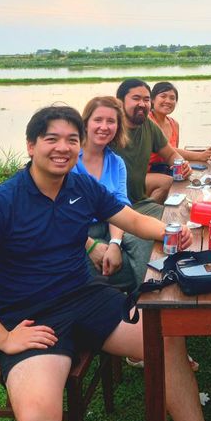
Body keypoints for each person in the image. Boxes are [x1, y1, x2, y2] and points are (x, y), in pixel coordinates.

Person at [0, 105, 211, 421]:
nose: (62, 147)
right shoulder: (3, 203)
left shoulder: (79, 184)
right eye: (51, 139)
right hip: (32, 319)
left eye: (72, 139)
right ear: (30, 145)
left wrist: (172, 233)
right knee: (38, 420)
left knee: (167, 336)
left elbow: (129, 218)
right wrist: (4, 338)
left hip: (87, 297)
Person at [71, 95, 137, 290]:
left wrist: (115, 243)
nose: (104, 126)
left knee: (147, 244)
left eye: (111, 121)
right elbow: (58, 213)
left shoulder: (116, 163)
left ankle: (148, 298)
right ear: (85, 123)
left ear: (118, 127)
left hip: (111, 227)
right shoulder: (69, 159)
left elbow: (120, 208)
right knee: (107, 269)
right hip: (76, 233)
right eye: (98, 120)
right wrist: (91, 245)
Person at [113, 78, 192, 207]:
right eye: (136, 98)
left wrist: (182, 165)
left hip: (138, 196)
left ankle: (146, 208)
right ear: (120, 102)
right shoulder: (110, 127)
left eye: (146, 99)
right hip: (114, 203)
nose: (142, 104)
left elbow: (171, 154)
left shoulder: (148, 125)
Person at [147, 80, 211, 180]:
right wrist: (200, 155)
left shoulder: (174, 124)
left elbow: (174, 155)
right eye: (163, 96)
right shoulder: (147, 121)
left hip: (167, 170)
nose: (168, 101)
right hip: (149, 172)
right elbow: (167, 150)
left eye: (172, 98)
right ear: (152, 99)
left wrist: (184, 165)